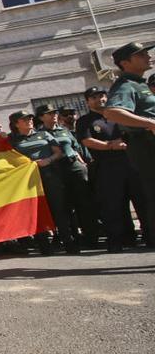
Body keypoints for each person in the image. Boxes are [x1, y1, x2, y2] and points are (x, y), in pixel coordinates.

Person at [76, 86, 149, 252]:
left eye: (101, 96)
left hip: (131, 164)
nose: (99, 100)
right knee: (114, 206)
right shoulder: (85, 121)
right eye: (93, 97)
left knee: (142, 202)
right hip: (107, 167)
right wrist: (110, 145)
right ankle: (119, 241)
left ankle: (150, 237)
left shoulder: (119, 116)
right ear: (87, 102)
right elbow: (87, 141)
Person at [103, 41, 155, 247]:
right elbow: (112, 112)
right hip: (146, 145)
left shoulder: (140, 84)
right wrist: (150, 123)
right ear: (125, 63)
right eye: (141, 54)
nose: (147, 56)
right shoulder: (125, 85)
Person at [7, 110, 78, 255]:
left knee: (59, 209)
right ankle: (44, 245)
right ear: (16, 124)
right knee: (36, 211)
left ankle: (68, 242)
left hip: (50, 176)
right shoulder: (12, 140)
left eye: (30, 118)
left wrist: (48, 160)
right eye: (24, 119)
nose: (29, 121)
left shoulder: (44, 134)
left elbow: (58, 152)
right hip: (28, 181)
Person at [36, 104, 98, 248]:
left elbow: (76, 148)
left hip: (74, 167)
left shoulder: (64, 130)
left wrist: (83, 165)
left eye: (54, 113)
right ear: (41, 117)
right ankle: (71, 237)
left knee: (84, 202)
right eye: (49, 113)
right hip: (56, 170)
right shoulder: (39, 135)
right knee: (63, 206)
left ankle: (91, 237)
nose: (53, 115)